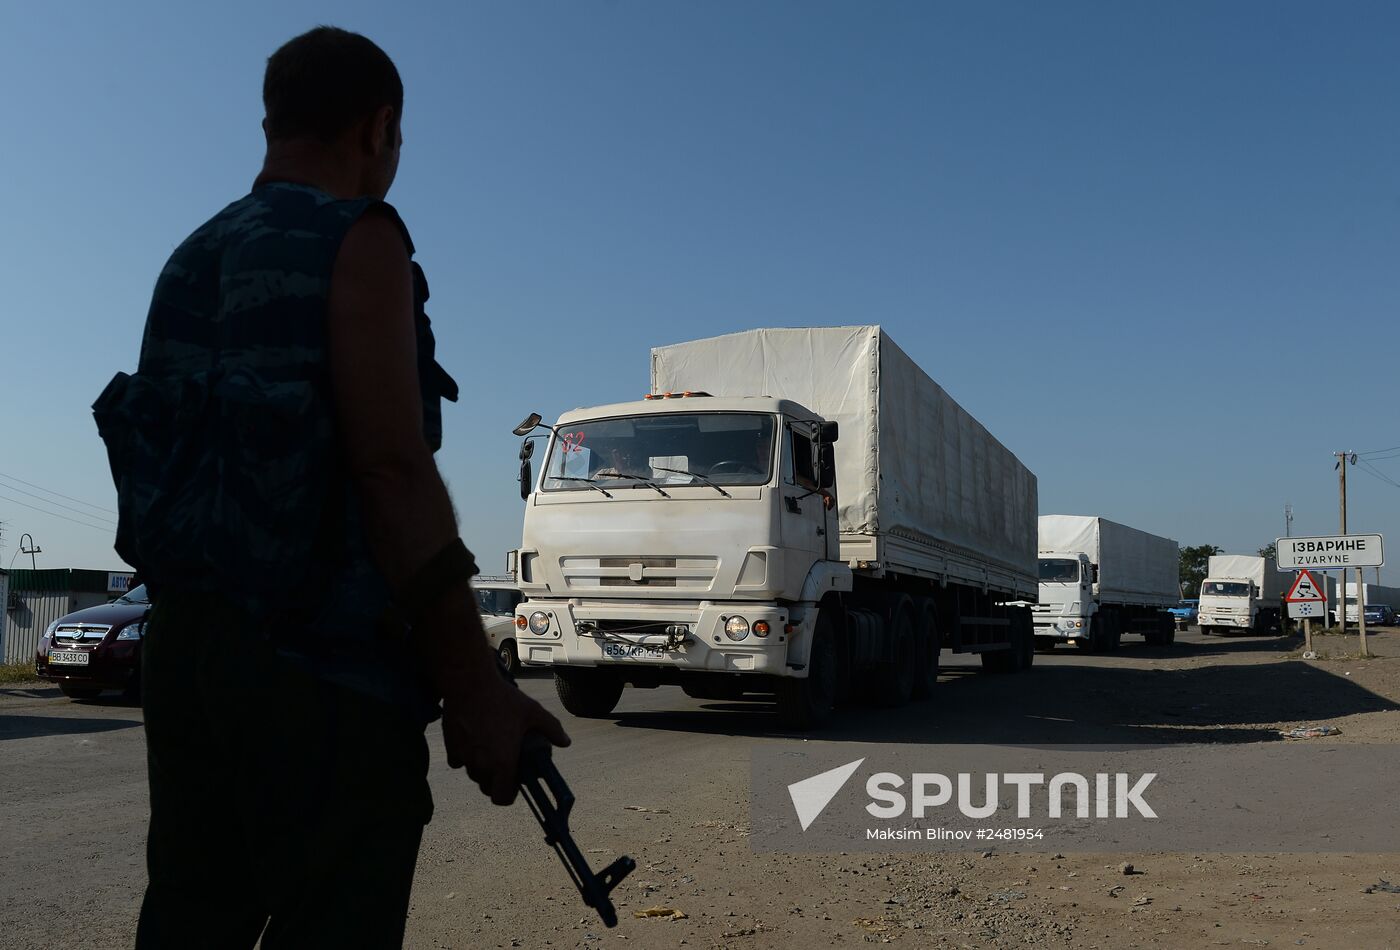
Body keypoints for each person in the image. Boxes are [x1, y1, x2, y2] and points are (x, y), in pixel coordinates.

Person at [107, 27, 569, 948]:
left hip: (188, 662)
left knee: (192, 915)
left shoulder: (187, 260)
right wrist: (476, 691)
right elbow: (391, 470)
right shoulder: (358, 238)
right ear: (380, 127)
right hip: (322, 682)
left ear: (271, 121)